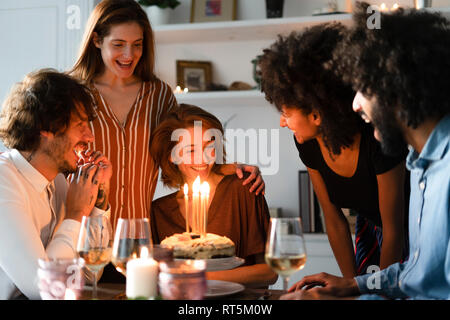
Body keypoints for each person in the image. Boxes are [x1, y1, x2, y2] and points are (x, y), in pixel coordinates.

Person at [69, 0, 265, 282]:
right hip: (85, 243)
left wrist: (230, 168)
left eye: (137, 44)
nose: (129, 55)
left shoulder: (159, 94)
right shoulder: (74, 95)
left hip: (139, 247)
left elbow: (175, 150)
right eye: (119, 44)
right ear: (97, 40)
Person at [282, 2, 450, 300]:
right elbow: (418, 274)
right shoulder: (422, 164)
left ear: (395, 86)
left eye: (363, 87)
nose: (355, 104)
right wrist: (355, 286)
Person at [258, 22, 408, 278]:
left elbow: (395, 229)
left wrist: (378, 293)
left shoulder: (378, 138)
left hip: (411, 236)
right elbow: (333, 219)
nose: (282, 122)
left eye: (286, 113)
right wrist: (349, 287)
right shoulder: (308, 142)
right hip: (371, 232)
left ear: (316, 115)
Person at [0, 69, 112, 300]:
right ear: (46, 127)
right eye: (80, 124)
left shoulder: (59, 182)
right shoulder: (4, 181)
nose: (90, 136)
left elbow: (91, 274)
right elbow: (45, 291)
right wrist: (76, 213)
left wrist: (98, 202)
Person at [150, 104, 278, 288]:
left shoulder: (242, 189)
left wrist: (196, 276)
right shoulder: (159, 212)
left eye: (208, 146)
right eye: (191, 150)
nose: (202, 159)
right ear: (171, 156)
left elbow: (270, 272)